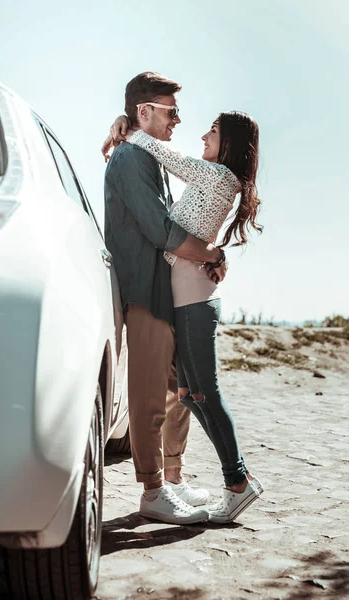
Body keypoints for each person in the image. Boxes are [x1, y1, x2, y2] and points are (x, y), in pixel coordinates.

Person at [103, 108, 265, 524]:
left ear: (229, 141)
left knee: (203, 392)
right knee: (193, 393)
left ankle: (238, 483)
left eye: (211, 131)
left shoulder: (216, 176)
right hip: (191, 294)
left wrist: (123, 126)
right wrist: (212, 253)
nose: (202, 137)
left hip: (193, 299)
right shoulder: (219, 180)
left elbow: (157, 153)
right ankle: (231, 480)